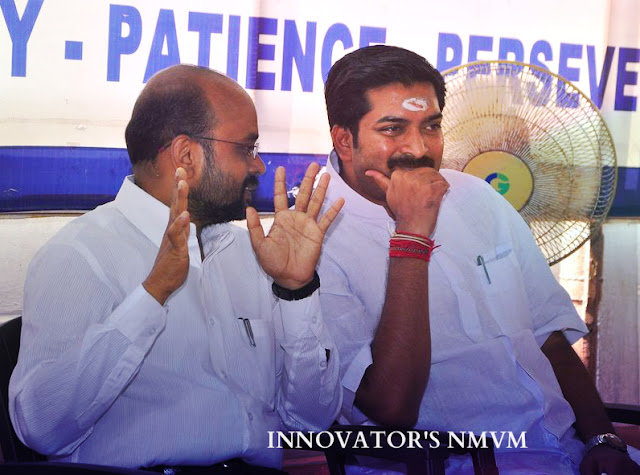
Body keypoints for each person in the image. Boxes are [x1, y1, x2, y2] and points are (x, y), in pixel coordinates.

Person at [317, 45, 640, 474]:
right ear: (344, 140)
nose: (419, 147)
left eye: (431, 126)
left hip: (569, 451)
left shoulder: (475, 196)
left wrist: (603, 439)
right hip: (452, 465)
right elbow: (392, 408)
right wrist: (411, 235)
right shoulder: (314, 238)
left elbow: (548, 336)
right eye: (393, 129)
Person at [9, 64, 344, 473]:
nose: (258, 166)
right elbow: (40, 428)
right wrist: (151, 296)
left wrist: (296, 290)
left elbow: (311, 421)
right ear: (186, 155)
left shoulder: (251, 253)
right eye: (247, 148)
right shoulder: (80, 254)